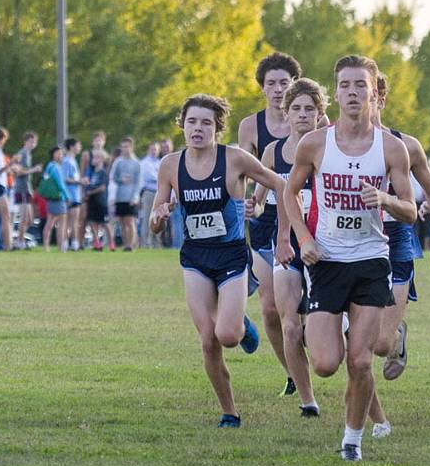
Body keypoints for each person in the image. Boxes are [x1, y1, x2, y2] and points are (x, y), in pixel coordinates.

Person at [280, 55, 418, 461]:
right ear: (336, 92)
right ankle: (347, 341)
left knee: (360, 360)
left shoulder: (391, 148)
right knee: (325, 363)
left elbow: (411, 210)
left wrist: (386, 199)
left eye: (361, 85)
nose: (353, 92)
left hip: (372, 260)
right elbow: (289, 193)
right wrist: (303, 238)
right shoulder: (315, 144)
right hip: (326, 260)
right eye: (346, 85)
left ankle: (352, 441)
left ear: (374, 92)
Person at [148, 94, 280, 426]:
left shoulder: (235, 159)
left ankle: (240, 325)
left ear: (217, 128)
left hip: (233, 256)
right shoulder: (170, 165)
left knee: (228, 336)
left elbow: (278, 183)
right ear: (182, 125)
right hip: (195, 258)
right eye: (192, 121)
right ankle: (229, 411)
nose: (198, 128)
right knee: (208, 339)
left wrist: (260, 206)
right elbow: (154, 219)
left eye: (206, 122)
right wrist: (160, 215)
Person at [371, 73, 430, 386]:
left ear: (381, 100)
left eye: (372, 95)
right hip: (352, 241)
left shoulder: (406, 145)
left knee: (381, 345)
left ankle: (396, 332)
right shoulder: (334, 142)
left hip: (396, 240)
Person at [262, 78, 325, 417]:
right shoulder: (274, 152)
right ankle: (307, 401)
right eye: (296, 109)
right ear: (285, 114)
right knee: (289, 324)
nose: (302, 115)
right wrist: (253, 207)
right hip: (286, 242)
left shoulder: (329, 148)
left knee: (320, 333)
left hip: (326, 245)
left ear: (319, 115)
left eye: (309, 109)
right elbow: (270, 197)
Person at [80, 132, 112, 250]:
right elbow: (82, 172)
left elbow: (107, 174)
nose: (98, 142)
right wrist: (83, 190)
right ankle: (81, 242)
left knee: (101, 219)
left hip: (101, 192)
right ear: (93, 141)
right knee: (86, 218)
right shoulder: (87, 154)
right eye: (96, 140)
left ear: (104, 142)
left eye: (100, 140)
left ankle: (101, 242)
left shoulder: (107, 157)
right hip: (88, 190)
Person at [109, 137, 142, 251]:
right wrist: (121, 180)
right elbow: (113, 177)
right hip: (120, 196)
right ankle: (125, 244)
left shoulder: (136, 163)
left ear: (131, 147)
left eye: (126, 146)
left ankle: (130, 245)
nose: (124, 149)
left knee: (130, 221)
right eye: (123, 147)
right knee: (122, 222)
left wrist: (135, 197)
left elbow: (138, 182)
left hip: (130, 197)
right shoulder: (118, 162)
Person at [36, 146, 70, 250]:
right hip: (58, 198)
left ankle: (46, 246)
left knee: (49, 222)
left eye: (62, 154)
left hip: (50, 198)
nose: (61, 156)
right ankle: (61, 246)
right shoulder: (56, 167)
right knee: (62, 223)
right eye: (58, 153)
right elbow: (60, 184)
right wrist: (67, 197)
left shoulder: (49, 166)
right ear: (54, 154)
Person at [9, 131, 39, 247]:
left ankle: (19, 238)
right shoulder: (22, 154)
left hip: (27, 189)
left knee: (30, 219)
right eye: (31, 142)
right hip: (21, 189)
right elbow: (18, 171)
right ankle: (19, 241)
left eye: (34, 142)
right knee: (24, 216)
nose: (33, 144)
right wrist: (34, 170)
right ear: (25, 142)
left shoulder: (28, 155)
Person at [139, 141, 163, 248]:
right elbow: (152, 176)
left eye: (156, 150)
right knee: (147, 218)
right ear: (149, 150)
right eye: (152, 149)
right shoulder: (145, 163)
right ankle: (145, 243)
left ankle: (156, 243)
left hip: (159, 192)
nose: (154, 152)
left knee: (158, 218)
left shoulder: (160, 162)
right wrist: (161, 177)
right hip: (148, 192)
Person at [61, 138, 83, 249]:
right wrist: (80, 181)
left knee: (75, 221)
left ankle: (74, 243)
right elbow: (65, 179)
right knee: (68, 221)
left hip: (76, 195)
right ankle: (65, 243)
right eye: (78, 145)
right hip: (70, 195)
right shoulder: (66, 161)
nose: (79, 147)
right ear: (71, 147)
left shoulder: (73, 160)